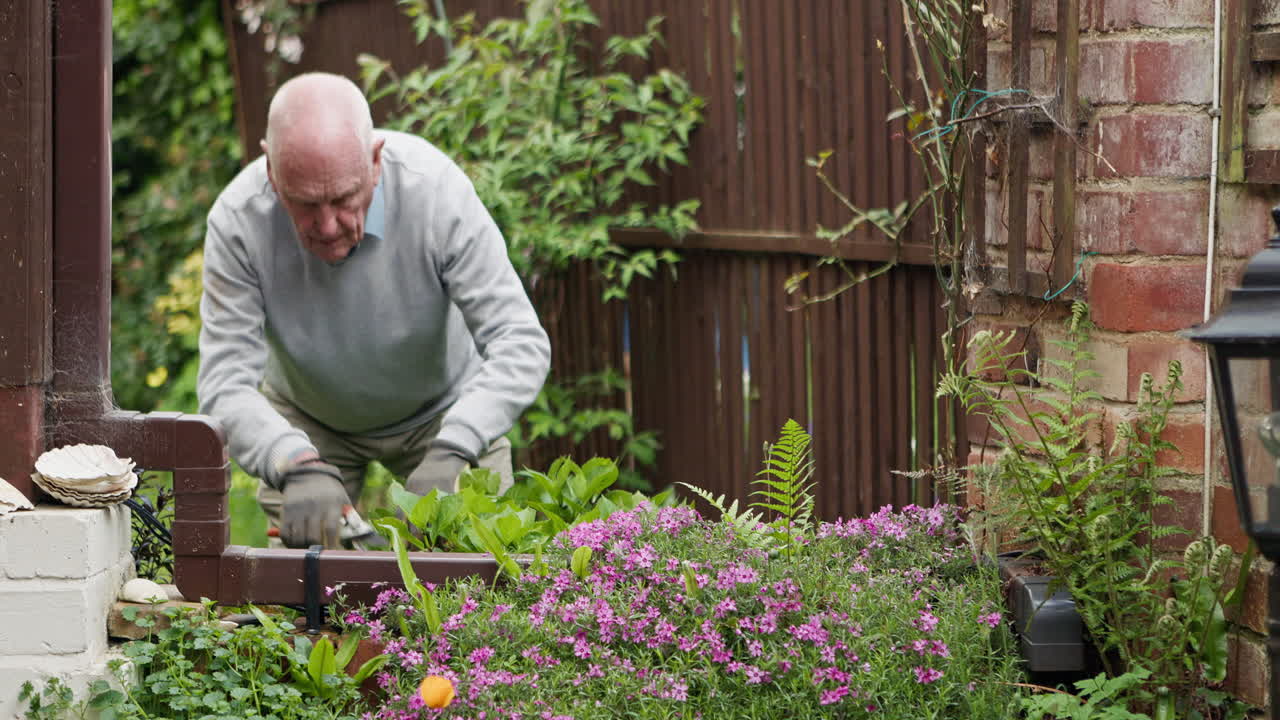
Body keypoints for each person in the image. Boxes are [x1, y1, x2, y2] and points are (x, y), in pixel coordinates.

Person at [197, 72, 551, 549]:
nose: (326, 225)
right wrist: (291, 461)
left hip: (444, 412)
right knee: (301, 598)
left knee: (479, 585)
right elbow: (223, 384)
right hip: (310, 420)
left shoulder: (435, 192)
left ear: (376, 161)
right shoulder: (238, 222)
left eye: (344, 198)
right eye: (305, 203)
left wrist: (458, 444)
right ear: (271, 173)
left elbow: (519, 340)